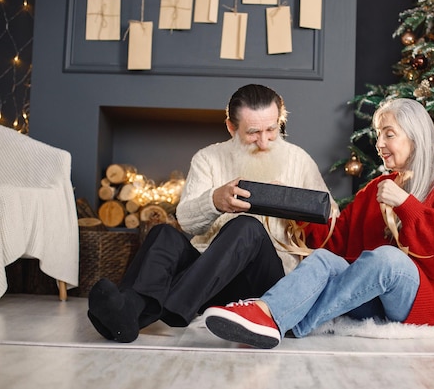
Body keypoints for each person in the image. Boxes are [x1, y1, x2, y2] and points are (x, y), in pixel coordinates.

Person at [203, 98, 434, 349]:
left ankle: (287, 321)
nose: (379, 144)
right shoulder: (378, 188)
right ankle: (267, 312)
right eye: (378, 135)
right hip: (370, 300)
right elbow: (337, 242)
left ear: (416, 138)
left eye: (389, 134)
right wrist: (293, 205)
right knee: (324, 259)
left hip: (426, 304)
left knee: (388, 259)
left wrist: (407, 206)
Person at [87, 84, 335, 343]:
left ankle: (173, 305)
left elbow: (331, 217)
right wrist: (214, 201)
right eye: (253, 133)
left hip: (263, 283)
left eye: (271, 130)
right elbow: (185, 221)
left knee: (246, 226)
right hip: (208, 279)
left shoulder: (299, 160)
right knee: (163, 234)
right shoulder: (208, 158)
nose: (263, 142)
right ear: (231, 127)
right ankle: (128, 315)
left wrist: (292, 202)